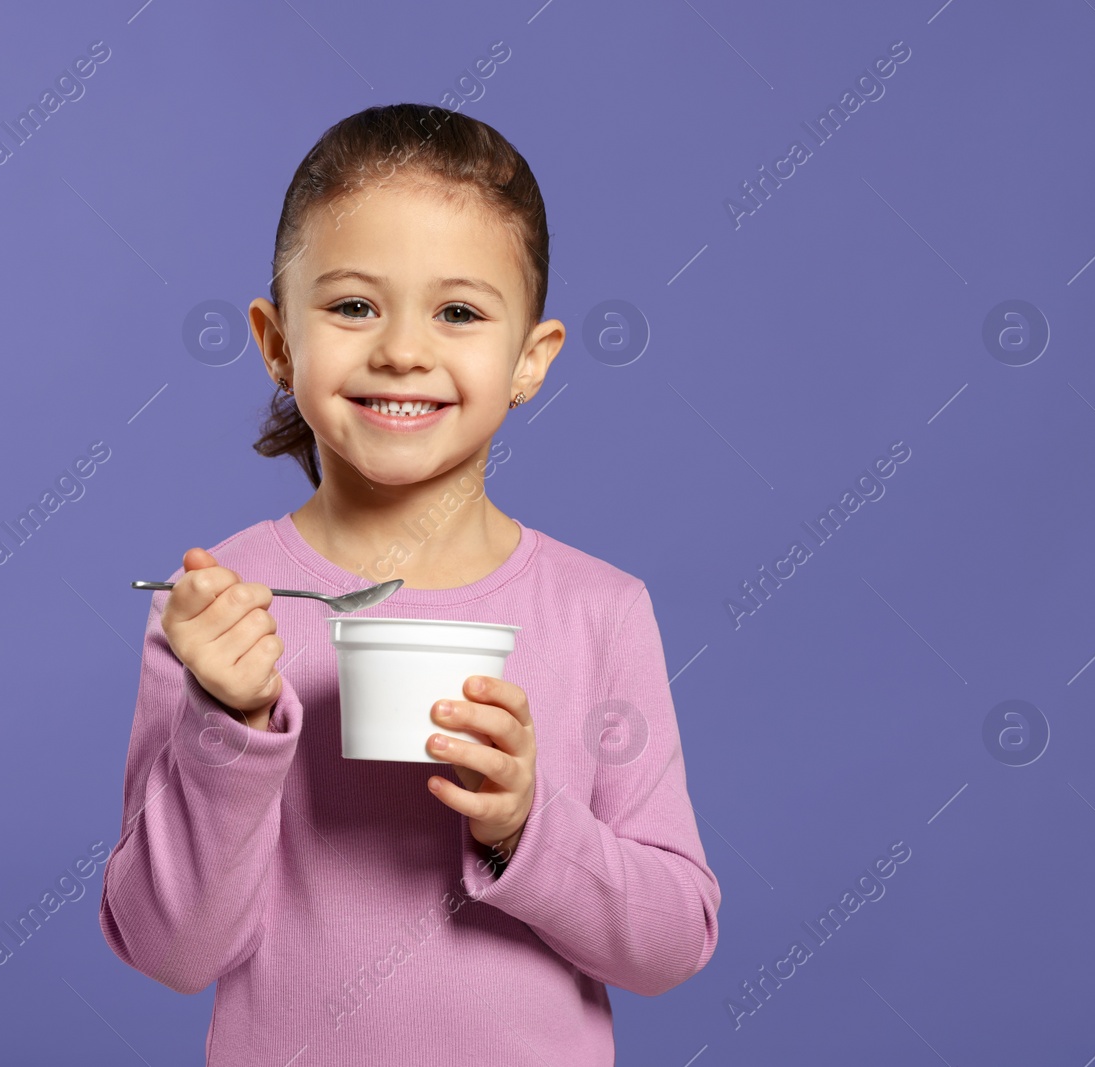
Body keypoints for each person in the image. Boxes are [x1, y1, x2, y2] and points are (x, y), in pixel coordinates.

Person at [98, 102, 720, 1066]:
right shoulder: (221, 609)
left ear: (529, 360)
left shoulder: (601, 612)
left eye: (460, 312)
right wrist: (230, 723)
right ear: (276, 340)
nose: (401, 350)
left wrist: (527, 824)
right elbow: (171, 948)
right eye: (352, 305)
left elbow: (674, 941)